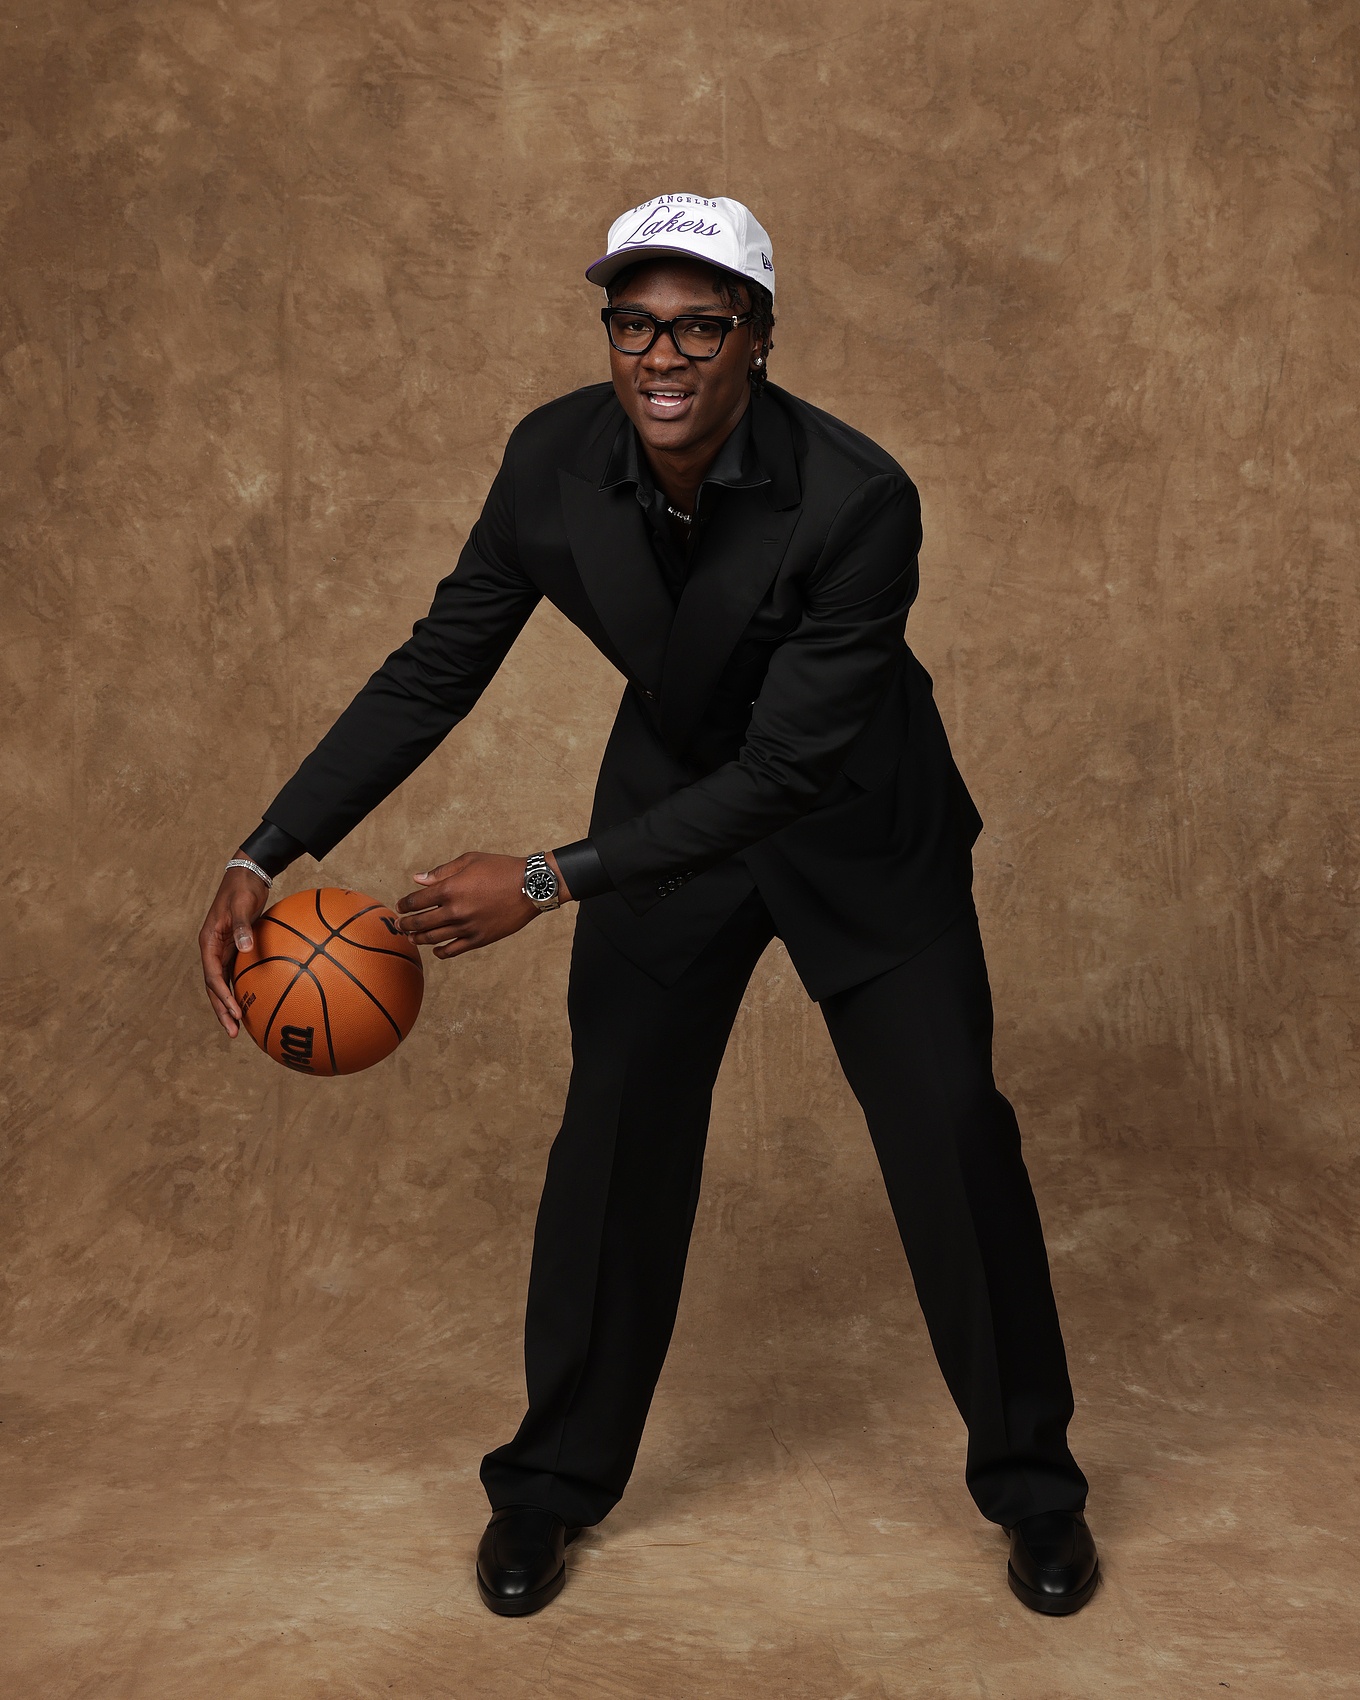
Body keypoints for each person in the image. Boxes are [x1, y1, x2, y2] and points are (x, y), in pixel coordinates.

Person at [198, 193, 1099, 1618]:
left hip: (856, 820)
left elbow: (790, 768)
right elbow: (439, 663)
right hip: (668, 816)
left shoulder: (860, 497)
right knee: (615, 1138)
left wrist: (544, 877)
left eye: (699, 324)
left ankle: (1036, 1490)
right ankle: (550, 1484)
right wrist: (267, 849)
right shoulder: (550, 459)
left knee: (950, 1133)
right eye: (634, 322)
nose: (661, 354)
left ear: (759, 336)